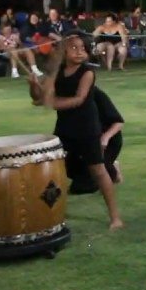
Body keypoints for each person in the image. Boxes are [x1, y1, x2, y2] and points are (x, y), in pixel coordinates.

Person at [40, 31, 122, 230]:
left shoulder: (87, 72)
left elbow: (78, 99)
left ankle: (115, 217)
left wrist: (52, 102)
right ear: (64, 50)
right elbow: (39, 98)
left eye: (83, 49)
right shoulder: (57, 72)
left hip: (87, 129)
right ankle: (49, 213)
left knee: (98, 171)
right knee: (53, 169)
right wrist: (36, 87)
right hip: (65, 128)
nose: (79, 52)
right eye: (73, 47)